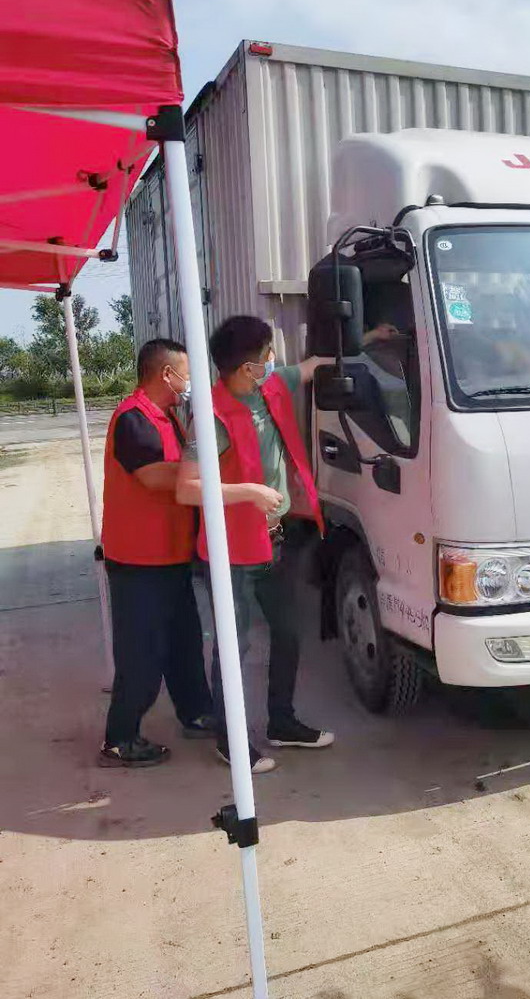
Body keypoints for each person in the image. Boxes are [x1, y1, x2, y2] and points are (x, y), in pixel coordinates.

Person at [176, 316, 332, 775]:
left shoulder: (270, 387)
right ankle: (230, 741)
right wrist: (248, 492)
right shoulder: (211, 417)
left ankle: (282, 722)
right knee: (234, 647)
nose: (274, 361)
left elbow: (311, 366)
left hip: (275, 542)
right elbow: (187, 488)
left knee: (288, 633)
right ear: (249, 367)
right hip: (233, 552)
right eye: (268, 355)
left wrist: (370, 340)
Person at [99, 339, 214, 768]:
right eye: (186, 373)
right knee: (141, 654)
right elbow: (154, 477)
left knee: (184, 643)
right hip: (138, 561)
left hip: (171, 555)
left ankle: (197, 713)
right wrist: (211, 467)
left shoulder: (167, 417)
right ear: (167, 374)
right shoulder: (134, 418)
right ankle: (120, 738)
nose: (189, 382)